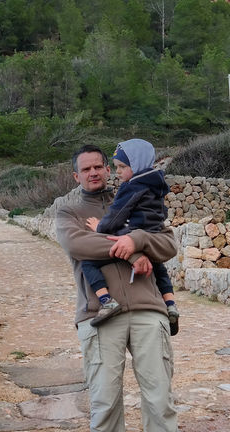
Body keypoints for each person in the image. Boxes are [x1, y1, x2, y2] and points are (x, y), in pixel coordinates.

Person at [54, 144, 186, 432]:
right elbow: (77, 244)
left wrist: (139, 240)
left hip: (147, 308)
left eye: (100, 166)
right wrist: (134, 248)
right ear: (76, 175)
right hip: (99, 312)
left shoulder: (134, 195)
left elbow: (168, 242)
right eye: (87, 169)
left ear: (108, 169)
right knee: (104, 399)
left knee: (159, 395)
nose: (95, 172)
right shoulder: (68, 211)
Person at [76, 139, 180, 334]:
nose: (119, 172)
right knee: (158, 267)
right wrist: (139, 253)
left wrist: (101, 227)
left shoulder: (131, 186)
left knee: (88, 263)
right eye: (117, 167)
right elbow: (163, 215)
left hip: (134, 229)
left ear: (137, 164)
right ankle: (171, 304)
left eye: (122, 167)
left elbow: (117, 215)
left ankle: (106, 301)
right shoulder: (157, 184)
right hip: (154, 230)